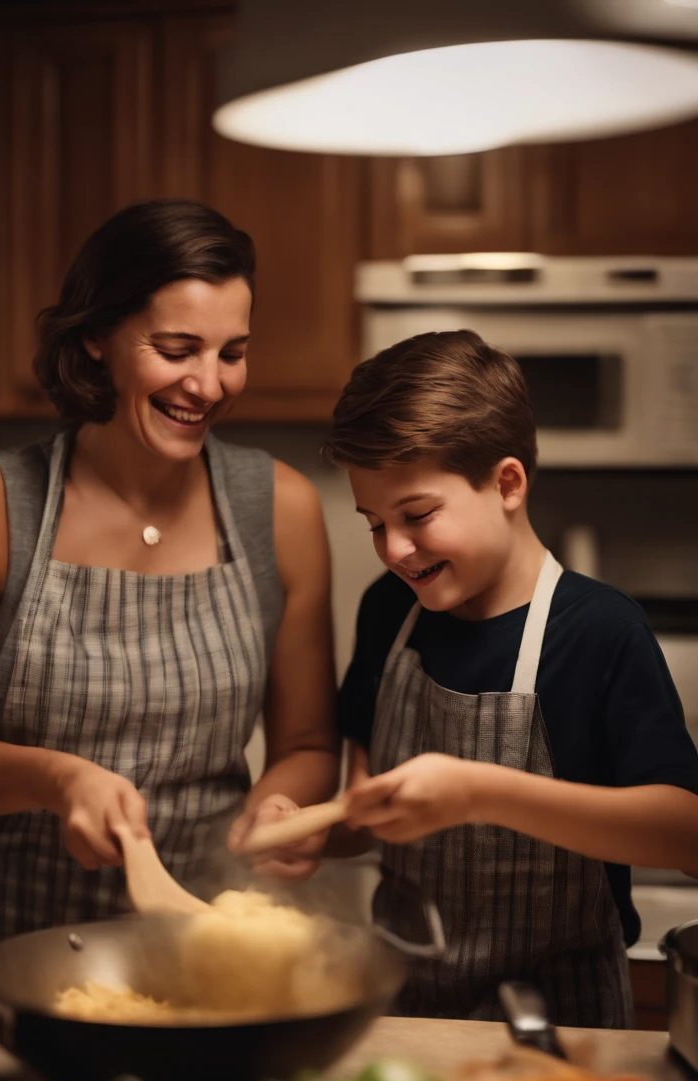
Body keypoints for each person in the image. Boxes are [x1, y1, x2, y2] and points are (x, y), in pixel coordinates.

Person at [0, 198, 339, 973]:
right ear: (96, 339)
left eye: (231, 353)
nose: (210, 385)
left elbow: (310, 744)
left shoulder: (278, 507)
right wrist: (53, 778)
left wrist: (280, 809)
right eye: (177, 348)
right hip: (23, 949)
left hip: (214, 944)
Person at [231, 329, 698, 1028]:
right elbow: (366, 809)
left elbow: (685, 837)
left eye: (417, 516)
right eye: (374, 523)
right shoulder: (390, 611)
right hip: (403, 1010)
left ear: (507, 482)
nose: (394, 549)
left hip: (558, 1026)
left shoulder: (598, 631)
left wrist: (480, 792)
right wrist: (312, 831)